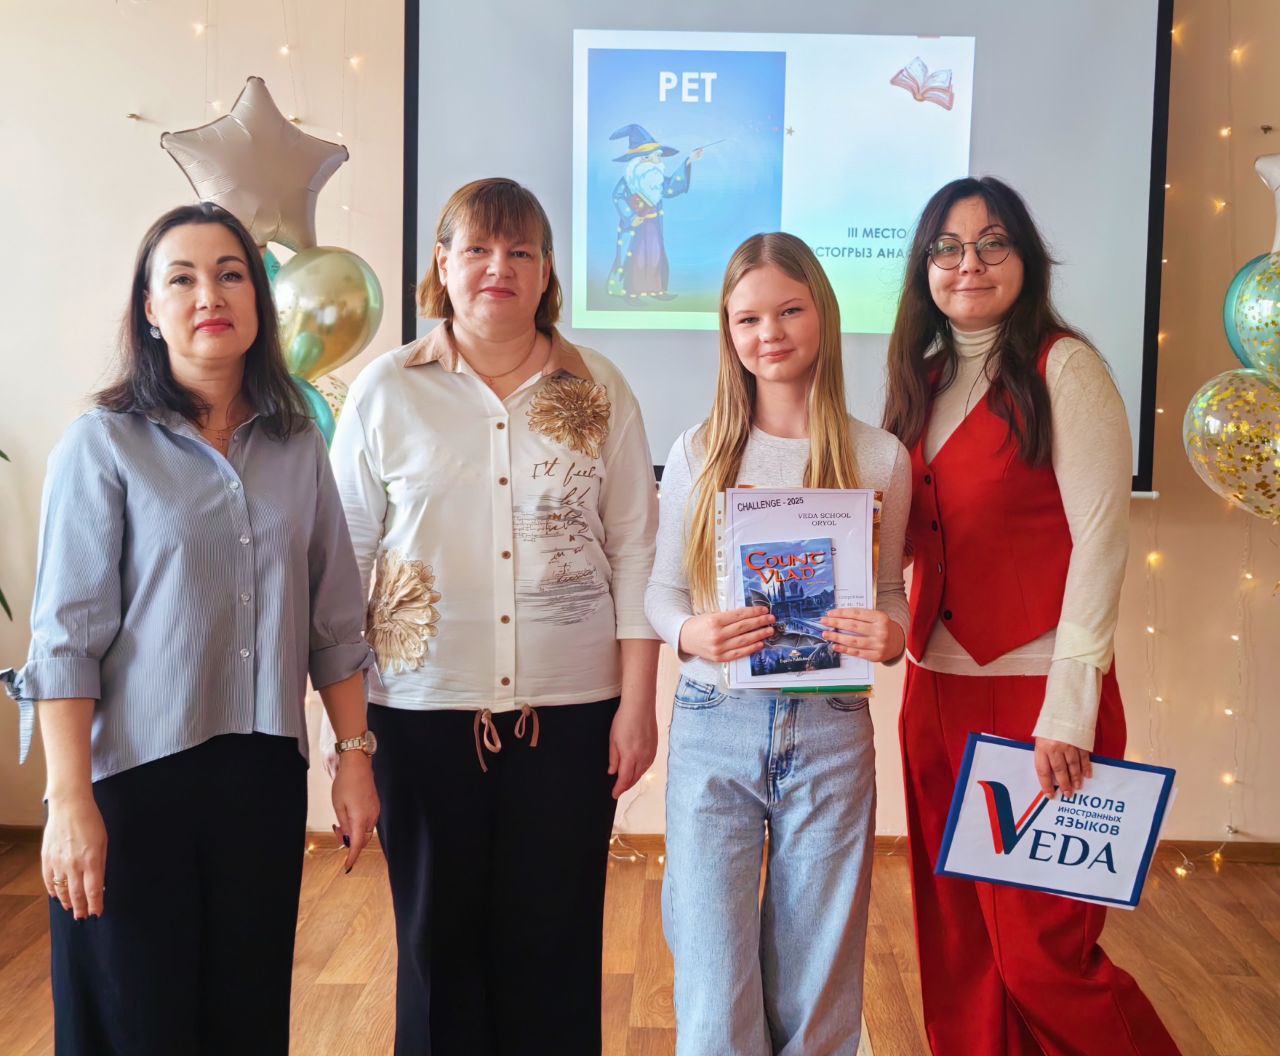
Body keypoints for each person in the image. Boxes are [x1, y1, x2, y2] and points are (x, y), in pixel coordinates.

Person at [0, 202, 379, 1055]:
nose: (210, 294)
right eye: (182, 278)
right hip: (132, 786)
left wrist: (354, 760)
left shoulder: (297, 446)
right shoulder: (102, 444)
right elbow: (65, 642)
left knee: (245, 1019)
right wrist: (69, 801)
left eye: (231, 273)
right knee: (134, 1023)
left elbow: (333, 621)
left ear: (259, 302)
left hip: (261, 780)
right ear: (149, 309)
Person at [322, 177, 661, 1055]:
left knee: (555, 948)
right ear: (443, 263)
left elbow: (635, 550)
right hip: (418, 712)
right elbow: (343, 569)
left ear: (547, 271)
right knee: (436, 951)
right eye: (476, 248)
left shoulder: (602, 387)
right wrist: (349, 743)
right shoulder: (387, 390)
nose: (498, 268)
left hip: (573, 713)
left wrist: (637, 705)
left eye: (520, 251)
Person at [881, 175, 1180, 1055]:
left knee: (1043, 961)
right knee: (962, 951)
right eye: (947, 248)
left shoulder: (1066, 368)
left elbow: (1102, 542)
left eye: (991, 243)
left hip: (1036, 702)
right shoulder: (922, 379)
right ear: (924, 268)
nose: (968, 264)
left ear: (1025, 258)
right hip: (933, 694)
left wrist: (1070, 711)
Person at [645, 231, 911, 1055]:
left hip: (831, 728)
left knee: (818, 976)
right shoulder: (698, 450)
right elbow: (661, 592)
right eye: (748, 319)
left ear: (822, 313)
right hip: (714, 721)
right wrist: (693, 632)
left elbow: (891, 596)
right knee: (712, 977)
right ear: (728, 333)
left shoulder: (880, 456)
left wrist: (890, 636)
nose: (770, 333)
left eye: (789, 311)